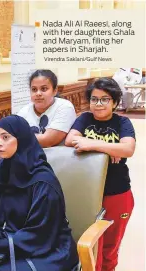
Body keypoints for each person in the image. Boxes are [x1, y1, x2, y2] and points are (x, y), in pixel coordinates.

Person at [0, 115, 79, 271]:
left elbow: (41, 233)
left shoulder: (43, 182)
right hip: (10, 238)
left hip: (47, 247)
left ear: (21, 139)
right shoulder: (3, 168)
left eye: (6, 137)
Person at [65, 78, 136, 271]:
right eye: (94, 99)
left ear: (114, 102)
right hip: (87, 194)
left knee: (110, 246)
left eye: (105, 99)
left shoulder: (122, 122)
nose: (98, 104)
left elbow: (128, 149)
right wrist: (110, 149)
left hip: (117, 192)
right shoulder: (84, 119)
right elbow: (70, 140)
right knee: (89, 243)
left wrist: (91, 145)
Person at [17, 69, 76, 147]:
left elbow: (47, 140)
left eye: (44, 89)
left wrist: (18, 138)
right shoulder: (23, 112)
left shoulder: (65, 107)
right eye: (34, 89)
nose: (38, 93)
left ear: (55, 91)